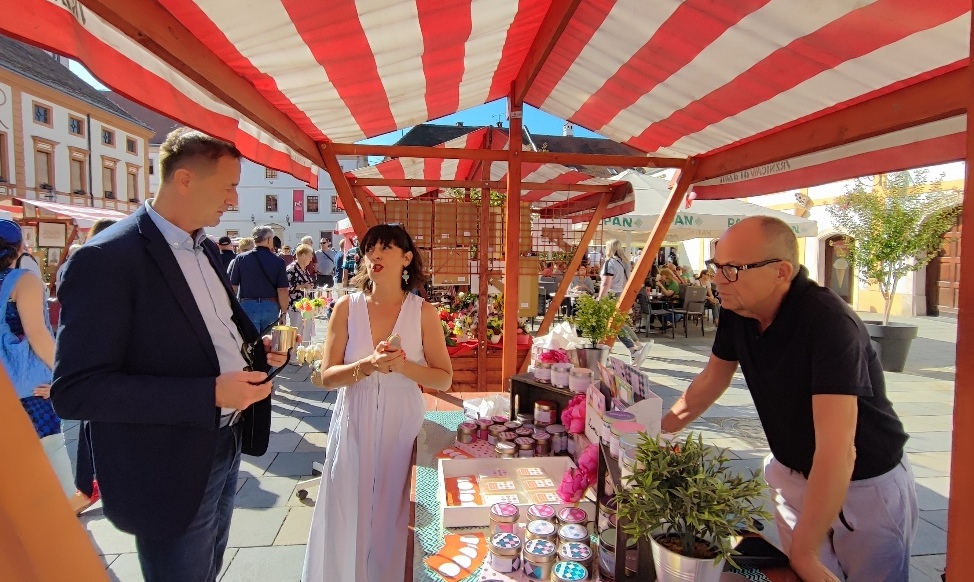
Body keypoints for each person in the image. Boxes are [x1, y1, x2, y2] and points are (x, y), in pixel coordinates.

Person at [52, 128, 288, 582]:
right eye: (228, 186)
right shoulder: (106, 259)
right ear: (184, 179)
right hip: (166, 464)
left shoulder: (205, 249)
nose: (234, 200)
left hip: (225, 440)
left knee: (207, 569)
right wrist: (209, 394)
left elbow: (204, 334)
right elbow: (76, 391)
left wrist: (252, 356)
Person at [660, 216, 916, 582]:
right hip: (792, 472)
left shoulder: (827, 322)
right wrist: (657, 432)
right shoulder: (739, 308)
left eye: (732, 269)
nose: (718, 279)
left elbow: (837, 449)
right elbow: (712, 378)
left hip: (864, 484)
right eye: (716, 266)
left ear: (781, 272)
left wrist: (805, 549)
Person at [303, 223, 452, 582]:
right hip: (354, 416)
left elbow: (443, 378)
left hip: (401, 420)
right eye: (370, 248)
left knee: (392, 511)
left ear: (406, 258)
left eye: (386, 247)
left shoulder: (422, 312)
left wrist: (403, 366)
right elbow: (327, 376)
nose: (375, 255)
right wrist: (367, 365)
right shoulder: (346, 307)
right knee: (345, 504)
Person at [0, 220, 71, 498]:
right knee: (51, 463)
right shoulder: (23, 280)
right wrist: (63, 375)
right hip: (27, 387)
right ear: (19, 249)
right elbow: (37, 334)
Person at [597, 239, 650, 367]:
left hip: (611, 295)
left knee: (612, 326)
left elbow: (606, 283)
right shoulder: (624, 262)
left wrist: (600, 298)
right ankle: (631, 348)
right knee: (618, 324)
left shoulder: (610, 263)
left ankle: (630, 350)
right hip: (622, 295)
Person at [230, 225, 289, 333]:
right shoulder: (278, 261)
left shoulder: (241, 258)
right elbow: (283, 290)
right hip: (270, 306)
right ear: (268, 239)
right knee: (269, 340)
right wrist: (284, 312)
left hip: (247, 305)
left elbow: (233, 286)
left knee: (250, 340)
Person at [286, 244, 316, 340]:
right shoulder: (291, 269)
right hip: (296, 307)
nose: (311, 259)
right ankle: (296, 350)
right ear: (303, 255)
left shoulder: (304, 269)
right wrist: (302, 286)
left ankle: (306, 349)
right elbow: (286, 287)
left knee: (307, 334)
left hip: (307, 307)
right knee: (298, 334)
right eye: (310, 256)